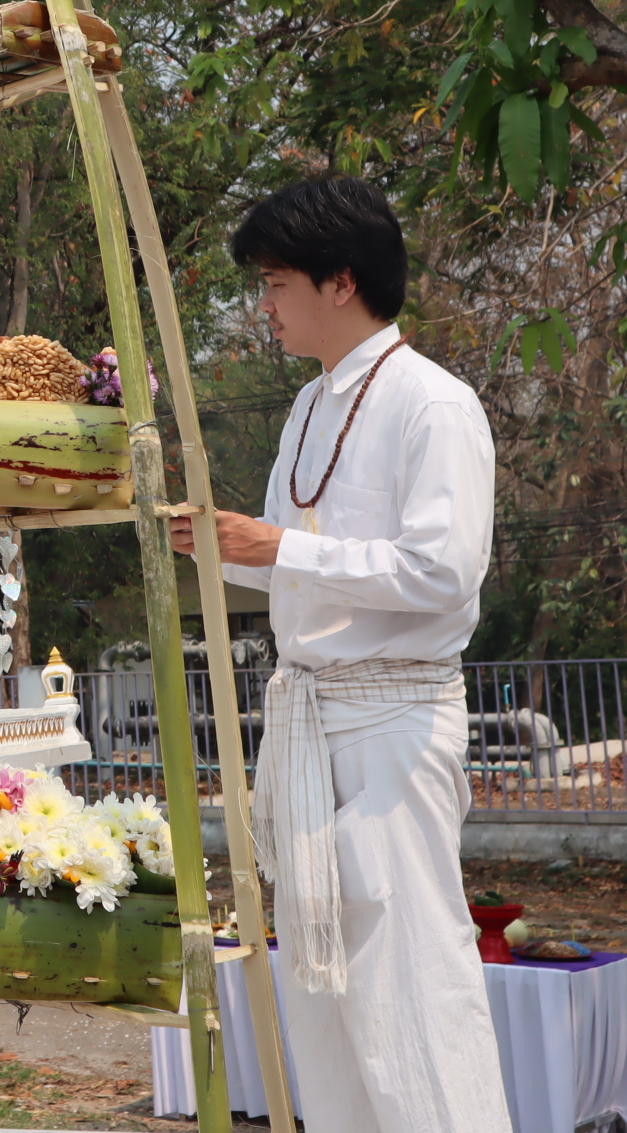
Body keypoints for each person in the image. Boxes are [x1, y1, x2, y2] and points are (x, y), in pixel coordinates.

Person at [170, 175, 512, 1133]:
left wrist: (278, 547)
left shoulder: (433, 404)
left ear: (340, 281)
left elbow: (442, 575)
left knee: (409, 989)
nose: (263, 305)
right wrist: (212, 546)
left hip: (395, 723)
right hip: (312, 726)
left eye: (276, 283)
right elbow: (299, 572)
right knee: (321, 999)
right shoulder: (310, 409)